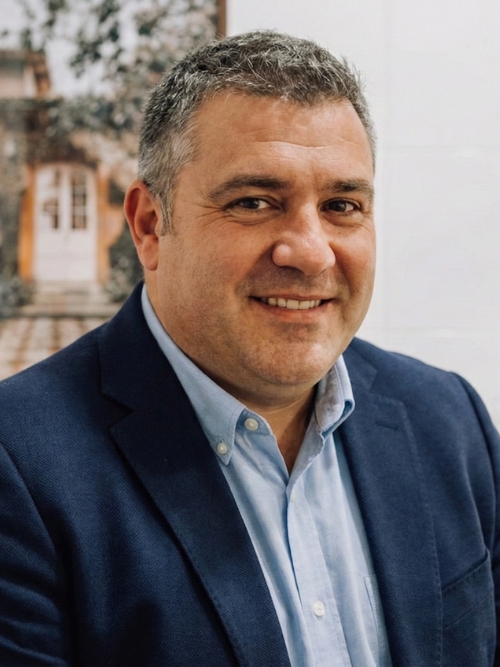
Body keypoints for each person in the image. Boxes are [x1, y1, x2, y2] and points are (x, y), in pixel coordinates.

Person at [0, 31, 498, 667]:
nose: (310, 252)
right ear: (150, 225)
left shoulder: (449, 421)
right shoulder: (19, 466)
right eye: (255, 202)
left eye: (342, 205)